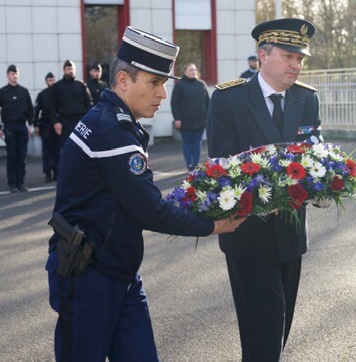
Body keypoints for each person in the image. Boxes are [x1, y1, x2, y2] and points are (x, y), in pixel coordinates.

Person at [45, 26, 245, 361]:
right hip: (89, 279)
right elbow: (149, 210)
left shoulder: (115, 121)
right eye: (154, 83)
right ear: (123, 80)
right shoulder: (112, 132)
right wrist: (213, 225)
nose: (162, 94)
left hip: (116, 272)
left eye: (163, 83)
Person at [206, 18, 323, 361]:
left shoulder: (306, 98)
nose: (295, 64)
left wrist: (323, 185)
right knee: (264, 328)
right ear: (262, 56)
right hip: (248, 235)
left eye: (300, 58)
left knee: (279, 328)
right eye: (288, 56)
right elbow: (222, 170)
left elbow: (313, 153)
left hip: (290, 233)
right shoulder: (229, 99)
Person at [0, 64, 35, 192]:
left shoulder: (24, 91)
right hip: (9, 127)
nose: (14, 76)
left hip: (22, 127)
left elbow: (31, 109)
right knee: (12, 156)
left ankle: (20, 183)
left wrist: (30, 124)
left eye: (16, 73)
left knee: (21, 157)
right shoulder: (2, 92)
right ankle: (12, 184)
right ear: (7, 75)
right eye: (11, 74)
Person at [170, 63, 210, 171]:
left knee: (197, 143)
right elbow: (174, 103)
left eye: (194, 70)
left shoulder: (201, 84)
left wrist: (208, 117)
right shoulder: (180, 85)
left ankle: (196, 165)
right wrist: (177, 118)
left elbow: (208, 102)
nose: (193, 72)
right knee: (187, 143)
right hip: (185, 121)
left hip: (200, 120)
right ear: (185, 72)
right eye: (190, 70)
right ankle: (189, 165)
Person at [50, 60, 93, 147]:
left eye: (72, 69)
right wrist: (56, 122)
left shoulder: (81, 85)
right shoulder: (57, 86)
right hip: (65, 122)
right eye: (68, 69)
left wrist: (89, 119)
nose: (70, 71)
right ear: (64, 70)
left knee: (82, 147)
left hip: (80, 121)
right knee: (67, 148)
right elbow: (52, 106)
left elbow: (89, 102)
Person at [34, 72, 61, 183]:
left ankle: (57, 172)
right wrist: (35, 124)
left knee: (57, 150)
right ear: (46, 81)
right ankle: (47, 173)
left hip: (58, 125)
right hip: (46, 125)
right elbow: (36, 110)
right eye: (50, 80)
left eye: (53, 80)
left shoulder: (59, 94)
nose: (52, 82)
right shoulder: (42, 95)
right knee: (47, 150)